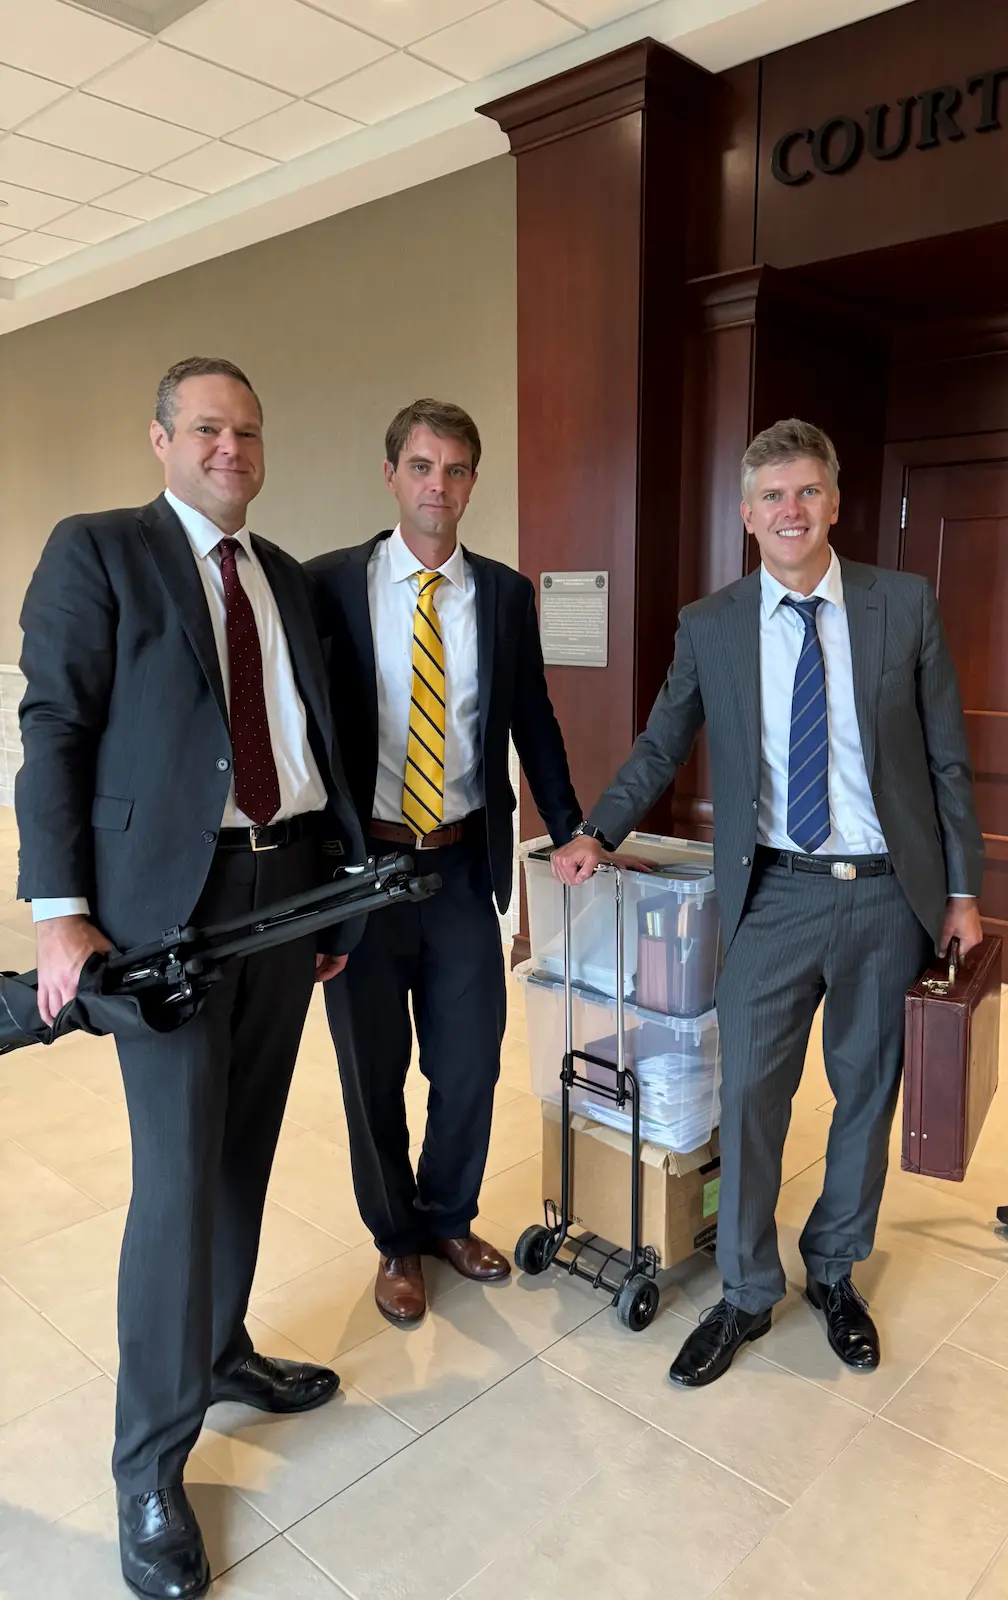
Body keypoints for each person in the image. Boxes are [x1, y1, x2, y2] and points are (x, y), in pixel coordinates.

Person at [16, 357, 364, 1600]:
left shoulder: (279, 578)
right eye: (208, 428)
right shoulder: (98, 550)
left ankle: (218, 1350)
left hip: (291, 887)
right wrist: (61, 915)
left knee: (246, 1147)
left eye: (248, 431)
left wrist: (339, 892)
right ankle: (150, 1468)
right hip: (168, 909)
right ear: (160, 438)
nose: (232, 448)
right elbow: (54, 725)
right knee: (174, 1183)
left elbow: (314, 734)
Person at [553, 418, 984, 1388]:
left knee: (865, 1096)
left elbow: (949, 756)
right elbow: (662, 743)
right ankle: (748, 1289)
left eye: (807, 492)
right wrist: (599, 830)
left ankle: (835, 1270)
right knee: (747, 1095)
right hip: (775, 896)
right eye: (772, 496)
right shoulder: (712, 623)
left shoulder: (902, 606)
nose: (791, 511)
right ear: (746, 515)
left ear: (835, 503)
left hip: (886, 899)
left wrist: (962, 890)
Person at [308, 398, 580, 1329]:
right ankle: (396, 1241)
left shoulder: (503, 594)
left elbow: (533, 723)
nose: (440, 486)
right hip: (363, 878)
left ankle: (449, 1217)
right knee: (372, 1070)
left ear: (473, 481)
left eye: (457, 469)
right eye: (422, 466)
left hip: (463, 868)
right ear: (392, 474)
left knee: (467, 1064)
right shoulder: (328, 586)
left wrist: (571, 825)